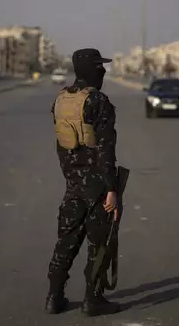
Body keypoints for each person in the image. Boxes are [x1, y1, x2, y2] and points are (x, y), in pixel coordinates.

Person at [46, 48, 121, 317]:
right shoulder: (98, 101)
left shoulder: (61, 100)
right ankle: (94, 299)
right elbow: (105, 150)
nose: (103, 71)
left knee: (66, 241)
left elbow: (61, 146)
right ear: (91, 69)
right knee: (99, 244)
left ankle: (54, 298)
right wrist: (111, 189)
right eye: (99, 66)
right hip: (98, 187)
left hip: (72, 185)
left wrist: (72, 174)